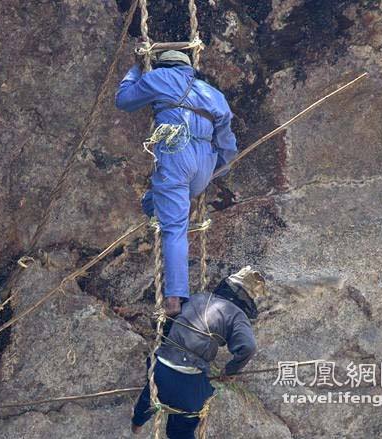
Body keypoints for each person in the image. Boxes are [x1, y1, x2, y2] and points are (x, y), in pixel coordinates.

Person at [116, 50, 237, 316]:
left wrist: (136, 70)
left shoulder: (160, 77)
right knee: (160, 204)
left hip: (176, 154)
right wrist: (219, 169)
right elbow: (228, 144)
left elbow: (124, 100)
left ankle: (174, 299)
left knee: (174, 229)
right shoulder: (212, 93)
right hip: (204, 164)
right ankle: (152, 207)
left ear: (163, 66)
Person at [130, 266, 264, 439]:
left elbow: (163, 321)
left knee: (150, 396)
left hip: (160, 369)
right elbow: (248, 347)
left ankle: (137, 424)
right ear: (248, 299)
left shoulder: (199, 298)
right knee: (180, 432)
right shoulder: (238, 316)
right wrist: (229, 372)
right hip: (189, 383)